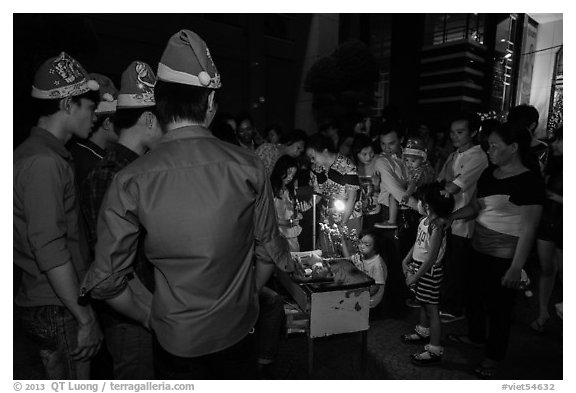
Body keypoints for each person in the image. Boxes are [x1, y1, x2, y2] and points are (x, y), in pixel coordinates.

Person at [81, 29, 299, 380]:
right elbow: (268, 253)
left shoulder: (130, 179)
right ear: (211, 103)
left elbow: (107, 282)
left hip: (174, 340)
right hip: (238, 331)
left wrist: (152, 315)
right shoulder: (248, 165)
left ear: (160, 104)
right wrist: (245, 298)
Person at [14, 52, 103, 379]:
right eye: (89, 107)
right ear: (68, 105)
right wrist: (85, 317)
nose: (94, 116)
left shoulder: (40, 155)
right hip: (57, 304)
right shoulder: (43, 163)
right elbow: (50, 249)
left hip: (53, 301)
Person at [80, 61, 162, 379]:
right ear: (150, 119)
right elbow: (112, 268)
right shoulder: (111, 176)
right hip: (132, 318)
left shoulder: (136, 170)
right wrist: (150, 313)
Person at [445, 122, 544, 378]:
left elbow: (529, 229)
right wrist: (451, 217)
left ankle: (493, 357)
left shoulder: (529, 181)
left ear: (513, 148)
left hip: (505, 257)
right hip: (478, 249)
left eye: (494, 146)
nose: (488, 150)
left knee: (499, 310)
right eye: (488, 145)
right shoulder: (490, 174)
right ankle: (476, 338)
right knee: (473, 298)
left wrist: (516, 267)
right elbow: (477, 206)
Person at [437, 113, 488, 323]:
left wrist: (444, 187)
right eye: (452, 132)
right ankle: (448, 301)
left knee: (458, 264)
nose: (454, 136)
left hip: (464, 219)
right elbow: (440, 181)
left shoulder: (477, 157)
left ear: (474, 133)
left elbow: (452, 187)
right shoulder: (455, 154)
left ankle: (455, 307)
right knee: (448, 262)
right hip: (448, 216)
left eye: (460, 132)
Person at [400, 182, 454, 366]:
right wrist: (406, 260)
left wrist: (415, 276)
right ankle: (423, 332)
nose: (418, 203)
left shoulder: (436, 228)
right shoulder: (424, 221)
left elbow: (431, 258)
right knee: (422, 301)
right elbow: (418, 244)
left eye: (421, 201)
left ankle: (434, 348)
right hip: (419, 267)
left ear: (428, 206)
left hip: (429, 271)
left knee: (432, 309)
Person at [531, 126, 563, 333]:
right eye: (556, 139)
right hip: (547, 221)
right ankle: (543, 313)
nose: (555, 143)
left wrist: (559, 198)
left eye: (560, 140)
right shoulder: (553, 162)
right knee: (547, 268)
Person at [306, 133, 362, 240]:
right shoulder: (316, 169)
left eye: (313, 157)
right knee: (327, 252)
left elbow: (352, 197)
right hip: (327, 217)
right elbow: (317, 194)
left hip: (349, 217)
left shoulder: (346, 166)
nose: (312, 161)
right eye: (310, 158)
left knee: (349, 252)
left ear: (325, 151)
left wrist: (342, 223)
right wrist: (308, 205)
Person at [67, 73, 119, 186]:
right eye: (120, 120)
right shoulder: (99, 166)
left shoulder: (73, 151)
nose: (124, 126)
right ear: (107, 123)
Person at [342, 229, 387, 310]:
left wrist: (359, 295)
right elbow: (348, 260)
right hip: (362, 290)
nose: (361, 246)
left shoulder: (376, 264)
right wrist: (342, 240)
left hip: (371, 298)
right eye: (360, 243)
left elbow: (375, 287)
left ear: (375, 248)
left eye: (366, 245)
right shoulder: (361, 256)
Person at [270, 155, 304, 252]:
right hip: (279, 235)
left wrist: (297, 216)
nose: (290, 177)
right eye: (289, 173)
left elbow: (291, 211)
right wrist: (287, 222)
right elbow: (267, 216)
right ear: (280, 170)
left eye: (293, 175)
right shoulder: (272, 189)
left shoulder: (289, 189)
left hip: (292, 234)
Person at [350, 134, 381, 231]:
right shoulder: (351, 165)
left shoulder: (378, 161)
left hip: (376, 211)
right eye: (364, 154)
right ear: (356, 153)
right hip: (358, 212)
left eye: (371, 152)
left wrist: (377, 185)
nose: (368, 157)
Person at [401, 137, 435, 205]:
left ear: (423, 159)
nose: (409, 163)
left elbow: (413, 183)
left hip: (421, 197)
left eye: (413, 161)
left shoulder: (420, 170)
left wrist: (407, 195)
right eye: (407, 160)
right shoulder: (412, 169)